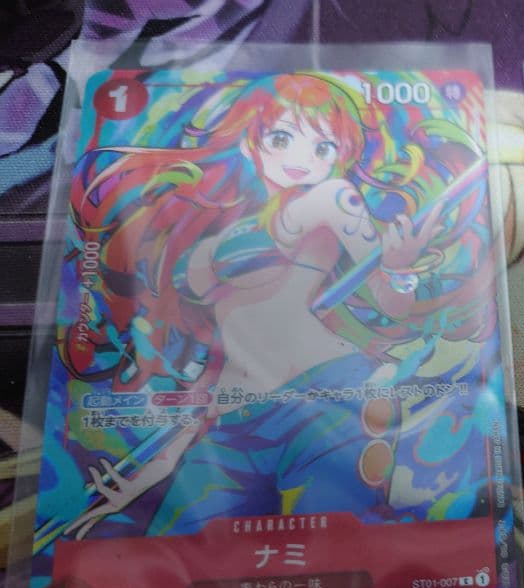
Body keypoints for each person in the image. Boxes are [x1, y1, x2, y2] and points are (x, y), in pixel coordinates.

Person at [62, 72, 491, 539]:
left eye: (323, 148)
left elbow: (392, 306)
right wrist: (147, 476)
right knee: (176, 555)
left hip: (329, 397)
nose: (302, 160)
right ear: (251, 144)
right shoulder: (211, 236)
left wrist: (398, 267)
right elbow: (216, 365)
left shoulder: (333, 197)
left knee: (338, 553)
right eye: (282, 139)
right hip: (235, 419)